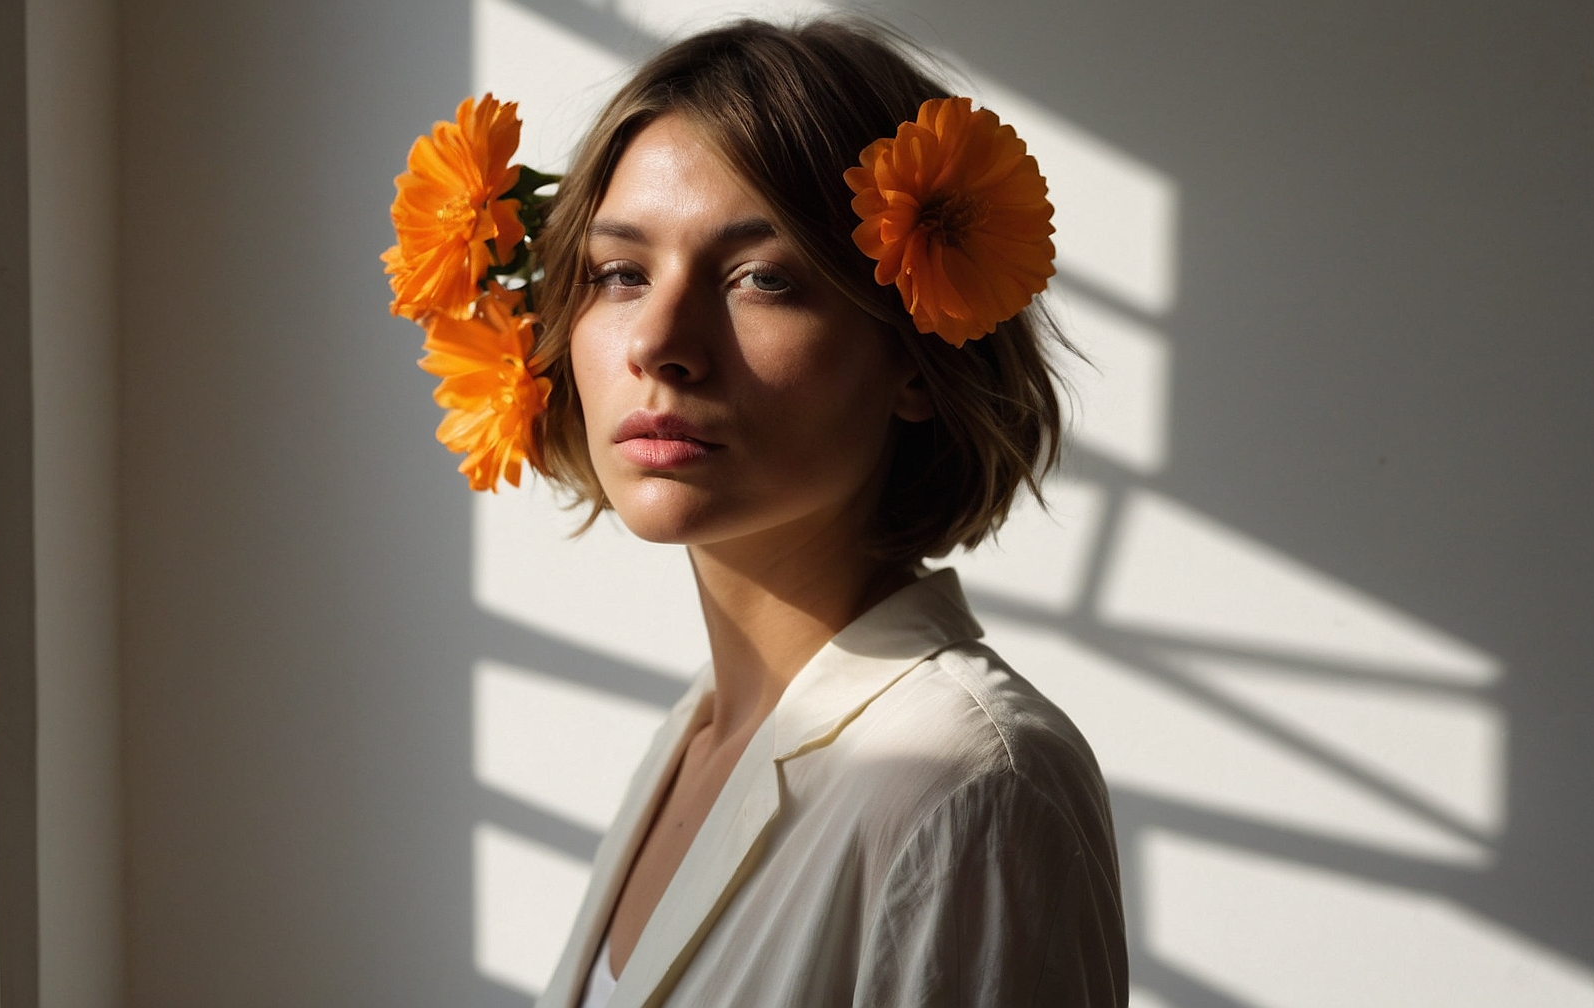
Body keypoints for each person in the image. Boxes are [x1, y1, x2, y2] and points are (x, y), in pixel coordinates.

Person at [384, 15, 1125, 1008]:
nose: (658, 342)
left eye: (762, 278)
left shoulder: (968, 786)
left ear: (917, 351)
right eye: (620, 272)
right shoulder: (696, 737)